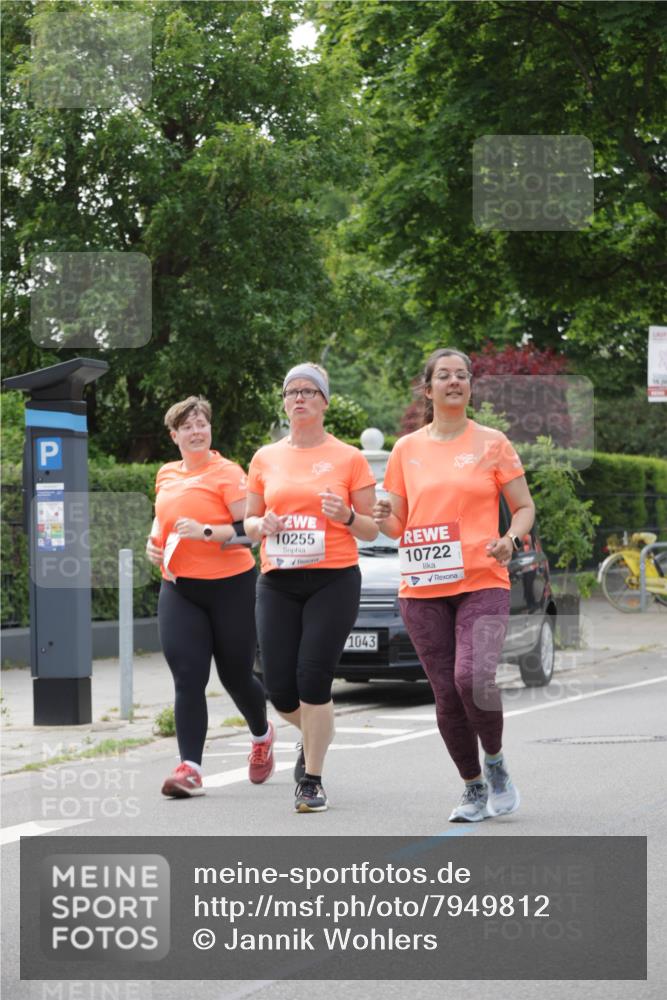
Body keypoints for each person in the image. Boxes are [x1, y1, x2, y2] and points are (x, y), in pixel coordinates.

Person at [373, 349, 535, 822]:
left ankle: (496, 762)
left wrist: (510, 538)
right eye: (443, 376)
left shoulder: (493, 442)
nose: (454, 381)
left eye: (461, 375)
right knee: (446, 691)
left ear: (469, 387)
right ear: (428, 389)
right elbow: (398, 526)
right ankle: (472, 787)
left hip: (483, 579)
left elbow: (524, 507)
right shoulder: (406, 449)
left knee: (472, 678)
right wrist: (383, 517)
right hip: (423, 588)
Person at [244, 363, 377, 813]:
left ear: (324, 401)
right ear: (284, 402)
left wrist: (345, 516)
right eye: (291, 391)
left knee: (313, 677)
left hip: (333, 579)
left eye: (308, 391)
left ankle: (312, 779)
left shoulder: (349, 457)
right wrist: (262, 523)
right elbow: (249, 520)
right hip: (278, 580)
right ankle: (315, 733)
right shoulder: (264, 458)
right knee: (278, 688)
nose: (299, 398)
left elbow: (371, 529)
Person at [146, 396, 274, 798]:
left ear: (210, 430)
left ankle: (261, 734)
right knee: (188, 677)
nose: (196, 431)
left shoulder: (227, 472)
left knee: (235, 675)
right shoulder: (166, 473)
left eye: (202, 423)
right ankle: (190, 769)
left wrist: (204, 530)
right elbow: (162, 517)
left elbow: (247, 533)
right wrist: (153, 542)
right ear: (174, 435)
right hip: (179, 587)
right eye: (187, 426)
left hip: (230, 587)